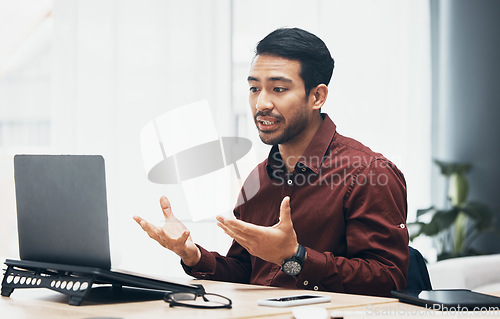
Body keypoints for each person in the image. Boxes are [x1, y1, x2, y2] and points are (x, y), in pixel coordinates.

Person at [133, 27, 409, 297]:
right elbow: (248, 271)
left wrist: (295, 257)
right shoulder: (258, 178)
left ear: (317, 96)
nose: (261, 103)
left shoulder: (368, 173)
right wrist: (192, 255)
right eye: (254, 89)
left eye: (278, 89)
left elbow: (387, 279)